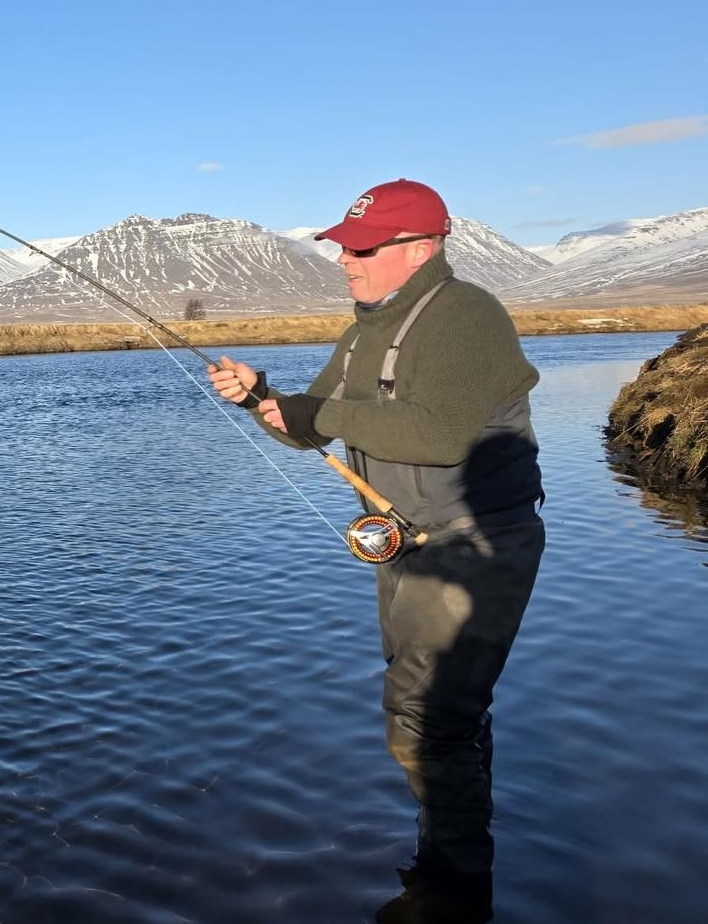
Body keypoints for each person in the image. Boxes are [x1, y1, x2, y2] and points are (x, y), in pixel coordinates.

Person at [208, 180, 544, 924]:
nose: (344, 260)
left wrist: (312, 410)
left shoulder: (466, 315)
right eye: (341, 246)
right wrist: (259, 396)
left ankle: (456, 888)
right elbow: (309, 429)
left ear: (418, 249)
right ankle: (452, 854)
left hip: (474, 545)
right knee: (439, 708)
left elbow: (439, 433)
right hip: (406, 546)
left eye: (360, 248)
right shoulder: (363, 329)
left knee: (421, 716)